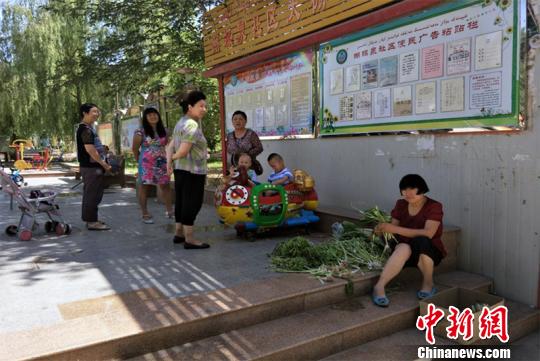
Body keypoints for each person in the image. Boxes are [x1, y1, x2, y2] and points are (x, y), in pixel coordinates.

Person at [372, 174, 445, 307]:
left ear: (422, 189)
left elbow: (429, 233)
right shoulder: (401, 204)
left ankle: (428, 283)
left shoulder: (434, 206)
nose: (408, 193)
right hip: (404, 249)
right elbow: (393, 229)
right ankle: (379, 286)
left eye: (413, 189)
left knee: (422, 240)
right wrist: (382, 229)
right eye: (404, 189)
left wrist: (394, 229)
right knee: (403, 247)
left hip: (427, 251)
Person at [167, 91, 210, 249]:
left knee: (181, 201)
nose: (204, 109)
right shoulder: (192, 124)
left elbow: (171, 146)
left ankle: (179, 232)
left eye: (205, 106)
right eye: (201, 106)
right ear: (190, 107)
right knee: (192, 203)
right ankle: (190, 239)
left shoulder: (181, 122)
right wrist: (172, 159)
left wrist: (170, 163)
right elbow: (183, 150)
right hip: (193, 171)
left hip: (181, 170)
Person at [132, 107, 173, 224]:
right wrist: (139, 163)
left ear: (158, 116)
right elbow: (135, 149)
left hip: (162, 163)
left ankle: (170, 211)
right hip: (146, 164)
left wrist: (170, 162)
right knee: (144, 187)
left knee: (165, 186)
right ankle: (145, 214)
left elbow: (169, 147)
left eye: (154, 114)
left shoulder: (165, 130)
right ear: (145, 118)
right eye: (149, 115)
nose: (152, 116)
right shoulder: (140, 131)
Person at [76, 103, 112, 230]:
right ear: (85, 113)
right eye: (94, 111)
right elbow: (90, 149)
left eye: (98, 111)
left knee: (93, 194)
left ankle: (91, 219)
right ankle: (91, 222)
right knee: (92, 194)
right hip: (91, 167)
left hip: (91, 167)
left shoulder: (88, 128)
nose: (97, 114)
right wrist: (104, 164)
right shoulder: (85, 129)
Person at [226, 110, 263, 175]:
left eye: (240, 119)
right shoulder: (229, 136)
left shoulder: (251, 134)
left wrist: (246, 154)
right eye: (235, 119)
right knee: (234, 185)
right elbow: (228, 150)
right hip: (233, 169)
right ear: (232, 122)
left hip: (248, 169)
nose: (237, 121)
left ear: (245, 121)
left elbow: (259, 148)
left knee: (248, 184)